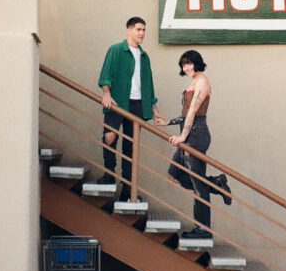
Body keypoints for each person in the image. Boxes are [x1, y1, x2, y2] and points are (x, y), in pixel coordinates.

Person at [98, 16, 166, 201]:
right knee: (109, 137)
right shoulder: (116, 50)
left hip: (137, 104)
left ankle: (127, 187)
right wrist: (106, 93)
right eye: (138, 29)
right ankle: (109, 174)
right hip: (118, 100)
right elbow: (106, 74)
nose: (142, 33)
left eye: (144, 30)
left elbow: (149, 84)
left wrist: (154, 109)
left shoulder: (144, 57)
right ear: (129, 31)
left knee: (131, 146)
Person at [168, 49, 231, 240]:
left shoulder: (202, 82)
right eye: (183, 64)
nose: (186, 67)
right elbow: (186, 113)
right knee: (174, 175)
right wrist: (167, 123)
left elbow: (194, 112)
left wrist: (182, 138)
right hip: (189, 134)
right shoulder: (193, 81)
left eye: (189, 63)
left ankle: (203, 229)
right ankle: (216, 184)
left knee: (198, 184)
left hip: (196, 135)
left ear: (197, 63)